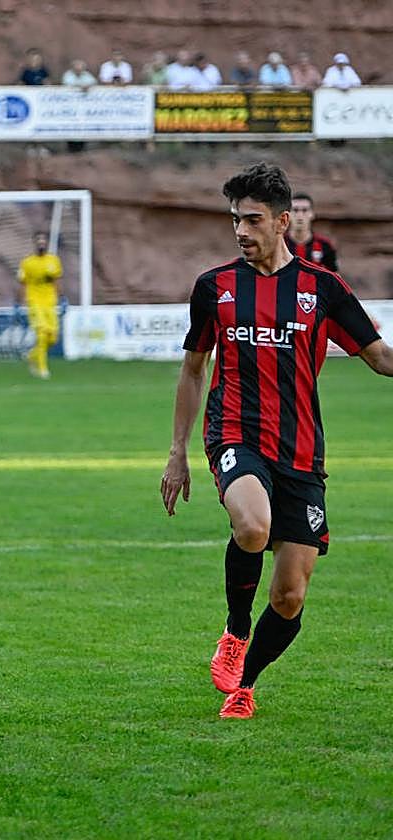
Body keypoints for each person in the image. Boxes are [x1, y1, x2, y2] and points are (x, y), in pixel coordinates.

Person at [161, 162, 393, 720]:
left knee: (290, 595)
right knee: (252, 525)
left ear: (283, 221)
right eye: (235, 219)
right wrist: (178, 453)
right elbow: (194, 370)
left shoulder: (323, 289)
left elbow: (380, 357)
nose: (241, 230)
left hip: (303, 453)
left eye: (253, 220)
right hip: (235, 434)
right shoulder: (214, 287)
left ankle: (245, 683)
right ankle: (235, 631)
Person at [17, 231, 63, 379]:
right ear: (35, 243)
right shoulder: (27, 263)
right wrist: (20, 302)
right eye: (39, 241)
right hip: (35, 302)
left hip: (50, 302)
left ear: (47, 243)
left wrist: (61, 298)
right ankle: (43, 369)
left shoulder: (53, 261)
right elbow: (22, 284)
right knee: (42, 333)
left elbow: (56, 281)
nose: (41, 243)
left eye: (43, 241)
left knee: (53, 338)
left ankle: (32, 356)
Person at [285, 192, 338, 272]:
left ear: (312, 214)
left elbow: (334, 277)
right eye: (295, 210)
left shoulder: (325, 245)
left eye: (305, 210)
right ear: (288, 214)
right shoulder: (279, 244)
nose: (300, 215)